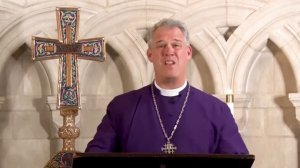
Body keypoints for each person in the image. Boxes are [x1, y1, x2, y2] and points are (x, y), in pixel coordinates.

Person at [85, 18, 249, 154]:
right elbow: (96, 159)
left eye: (176, 44)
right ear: (150, 54)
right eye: (161, 45)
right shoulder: (122, 107)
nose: (169, 51)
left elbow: (236, 161)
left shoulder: (216, 110)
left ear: (188, 52)